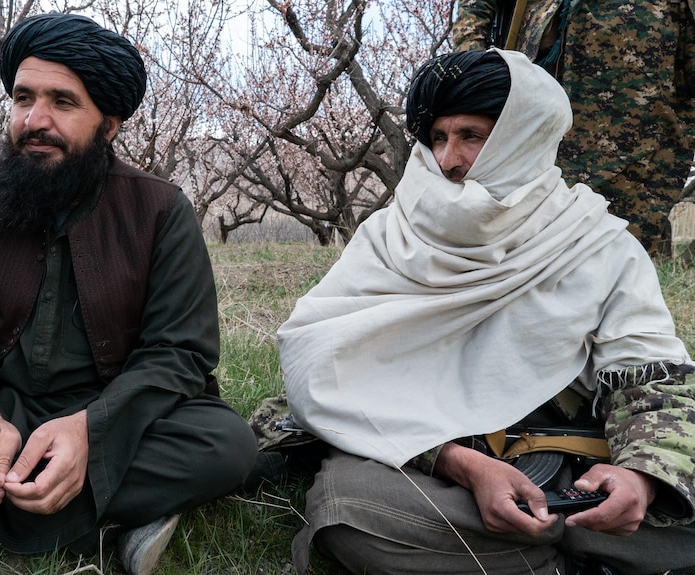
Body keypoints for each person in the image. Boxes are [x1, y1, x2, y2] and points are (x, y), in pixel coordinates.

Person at [0, 12, 257, 575]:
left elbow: (178, 353)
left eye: (62, 102)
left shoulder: (160, 211)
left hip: (115, 417)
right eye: (23, 98)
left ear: (109, 124)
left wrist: (90, 432)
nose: (35, 119)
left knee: (225, 446)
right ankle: (117, 517)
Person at [278, 49, 695, 574]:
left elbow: (651, 377)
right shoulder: (389, 238)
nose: (448, 160)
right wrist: (462, 464)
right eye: (437, 138)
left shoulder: (596, 244)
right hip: (433, 458)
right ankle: (583, 556)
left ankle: (560, 540)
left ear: (523, 137)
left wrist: (641, 479)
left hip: (571, 462)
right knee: (350, 508)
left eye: (472, 136)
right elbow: (326, 365)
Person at [453, 0, 695, 257]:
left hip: (647, 101)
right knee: (528, 246)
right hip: (545, 87)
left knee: (621, 253)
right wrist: (474, 68)